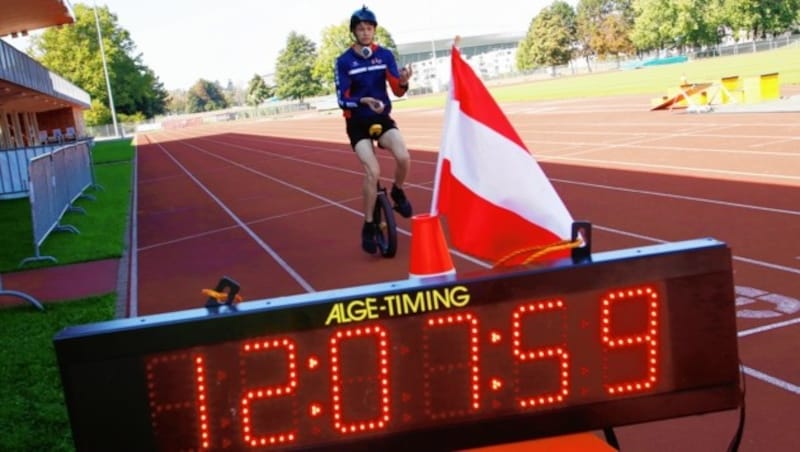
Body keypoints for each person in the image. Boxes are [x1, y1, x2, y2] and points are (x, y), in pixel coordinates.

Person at [335, 5, 414, 254]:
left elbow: (397, 90)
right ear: (354, 32)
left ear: (374, 30)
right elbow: (341, 99)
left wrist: (403, 82)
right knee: (373, 171)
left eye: (369, 28)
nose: (366, 32)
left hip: (382, 118)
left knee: (403, 156)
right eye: (361, 28)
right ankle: (369, 224)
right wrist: (362, 101)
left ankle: (398, 192)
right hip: (357, 122)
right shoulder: (344, 61)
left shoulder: (385, 55)